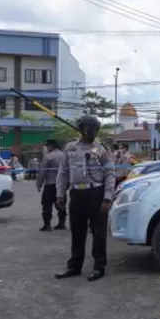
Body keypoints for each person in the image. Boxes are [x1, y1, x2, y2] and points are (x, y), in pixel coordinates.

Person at [54, 115, 115, 282]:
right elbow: (63, 172)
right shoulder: (70, 147)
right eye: (90, 128)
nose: (93, 132)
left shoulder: (102, 149)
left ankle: (99, 266)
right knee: (77, 232)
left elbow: (110, 173)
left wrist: (107, 198)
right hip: (77, 194)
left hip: (96, 193)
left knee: (99, 233)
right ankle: (74, 266)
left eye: (96, 129)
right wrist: (60, 194)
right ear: (83, 129)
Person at [36, 139, 66, 231]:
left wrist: (39, 184)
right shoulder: (64, 156)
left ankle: (47, 225)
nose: (47, 147)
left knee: (47, 205)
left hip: (50, 184)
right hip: (62, 185)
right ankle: (61, 223)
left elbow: (43, 172)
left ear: (51, 146)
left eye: (47, 146)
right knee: (61, 205)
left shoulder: (48, 157)